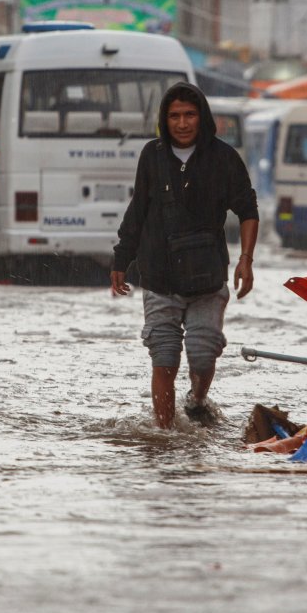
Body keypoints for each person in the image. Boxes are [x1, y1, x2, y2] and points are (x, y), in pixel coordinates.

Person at [111, 82, 258, 429]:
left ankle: (197, 400)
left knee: (202, 352)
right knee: (163, 356)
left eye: (189, 114)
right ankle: (165, 433)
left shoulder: (223, 158)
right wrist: (121, 259)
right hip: (160, 277)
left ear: (202, 117)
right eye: (174, 116)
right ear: (165, 119)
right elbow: (138, 210)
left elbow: (248, 209)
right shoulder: (152, 155)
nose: (182, 123)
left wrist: (246, 260)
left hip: (207, 279)